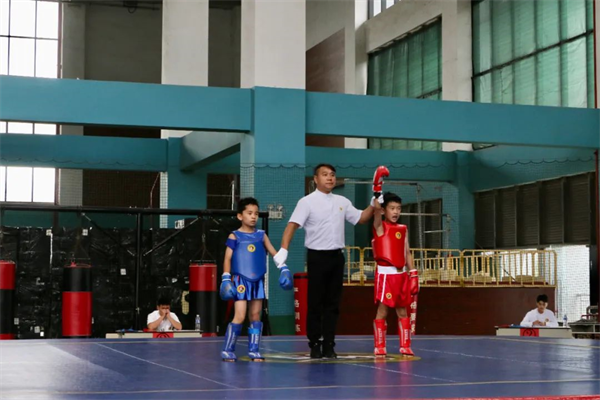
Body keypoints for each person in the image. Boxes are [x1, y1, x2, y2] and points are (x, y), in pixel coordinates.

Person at [273, 163, 375, 359]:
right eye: (325, 174)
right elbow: (292, 226)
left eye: (332, 175)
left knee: (333, 304)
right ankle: (314, 343)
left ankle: (329, 343)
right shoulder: (307, 202)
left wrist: (373, 204)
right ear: (316, 179)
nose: (330, 178)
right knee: (315, 303)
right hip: (317, 257)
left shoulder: (342, 201)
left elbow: (361, 218)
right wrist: (284, 249)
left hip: (337, 257)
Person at [219, 197, 292, 362]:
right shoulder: (234, 236)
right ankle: (228, 349)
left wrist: (284, 268)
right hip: (240, 281)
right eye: (249, 213)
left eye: (256, 213)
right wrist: (226, 278)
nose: (253, 217)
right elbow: (227, 258)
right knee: (239, 315)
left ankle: (254, 350)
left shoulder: (261, 235)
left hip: (257, 281)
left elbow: (274, 253)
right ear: (240, 216)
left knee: (255, 315)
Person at [371, 191, 419, 357]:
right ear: (384, 210)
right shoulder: (380, 227)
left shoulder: (403, 229)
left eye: (398, 208)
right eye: (392, 208)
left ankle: (405, 346)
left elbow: (407, 252)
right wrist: (377, 195)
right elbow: (376, 214)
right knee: (383, 310)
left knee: (403, 311)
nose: (396, 212)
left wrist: (413, 273)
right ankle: (379, 345)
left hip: (402, 276)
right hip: (386, 276)